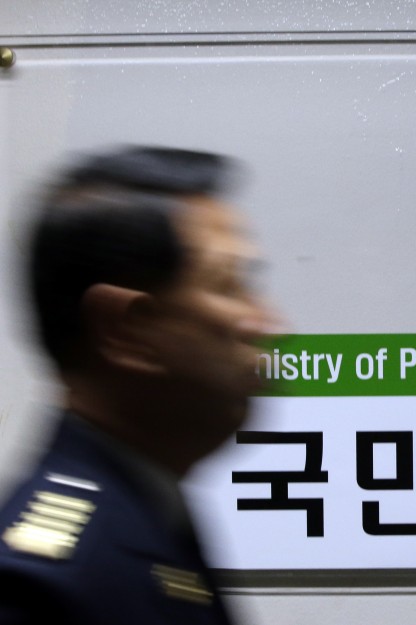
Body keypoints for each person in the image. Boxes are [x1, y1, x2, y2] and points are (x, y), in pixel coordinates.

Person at [0, 146, 274, 624]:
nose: (267, 324)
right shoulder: (42, 584)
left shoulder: (144, 515)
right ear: (127, 330)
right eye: (228, 285)